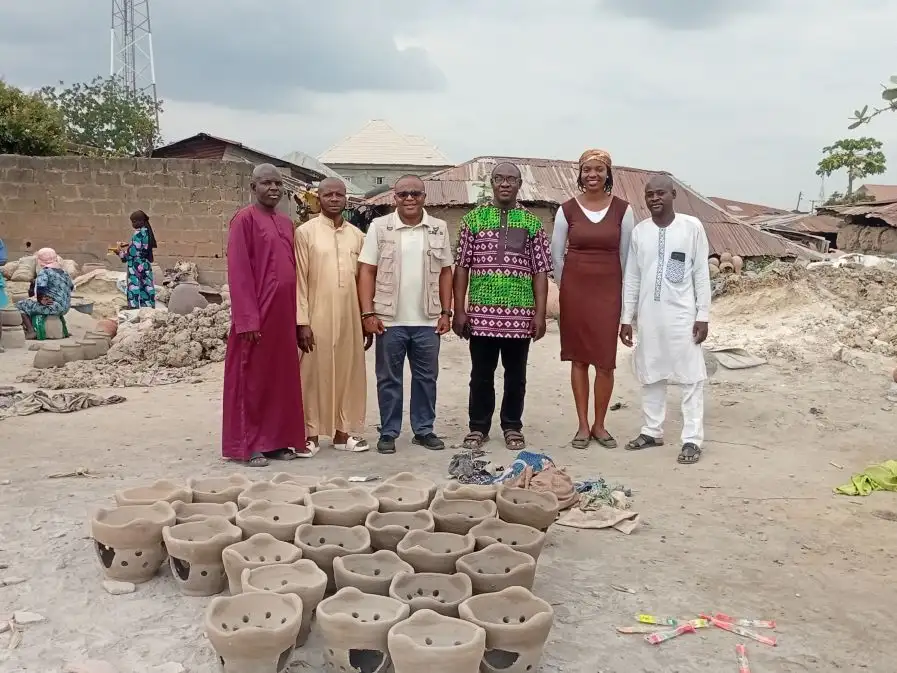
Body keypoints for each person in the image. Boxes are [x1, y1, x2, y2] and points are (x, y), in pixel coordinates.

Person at [453, 162, 551, 451]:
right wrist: (460, 310)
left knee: (516, 376)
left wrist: (540, 315)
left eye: (511, 179)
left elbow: (541, 271)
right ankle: (478, 427)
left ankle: (511, 426)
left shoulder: (532, 224)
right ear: (491, 183)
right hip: (480, 316)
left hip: (520, 318)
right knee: (480, 375)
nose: (505, 184)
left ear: (520, 184)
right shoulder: (473, 220)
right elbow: (461, 267)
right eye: (499, 179)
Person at [357, 175, 454, 455]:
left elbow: (447, 271)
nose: (409, 198)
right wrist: (367, 312)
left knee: (426, 378)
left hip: (427, 319)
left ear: (424, 196)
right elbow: (366, 270)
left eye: (415, 193)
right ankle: (388, 432)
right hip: (389, 319)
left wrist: (446, 311)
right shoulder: (379, 227)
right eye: (403, 194)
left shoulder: (438, 228)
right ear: (394, 198)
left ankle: (424, 430)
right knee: (389, 379)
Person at [619, 175, 711, 465]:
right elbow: (632, 277)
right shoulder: (639, 232)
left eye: (660, 193)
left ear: (673, 195)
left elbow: (700, 274)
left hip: (683, 315)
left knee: (691, 376)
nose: (655, 198)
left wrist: (703, 314)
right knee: (651, 372)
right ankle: (652, 430)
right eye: (649, 194)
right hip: (649, 315)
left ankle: (692, 439)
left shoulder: (691, 227)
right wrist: (626, 317)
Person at [222, 164, 307, 467]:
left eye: (277, 184)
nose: (273, 188)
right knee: (252, 381)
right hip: (257, 315)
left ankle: (275, 441)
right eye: (266, 183)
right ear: (253, 187)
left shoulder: (285, 223)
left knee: (279, 380)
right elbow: (240, 272)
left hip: (283, 316)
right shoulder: (243, 221)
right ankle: (249, 445)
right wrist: (247, 319)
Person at [551, 149, 636, 450]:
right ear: (580, 174)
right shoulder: (567, 210)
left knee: (605, 363)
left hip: (608, 293)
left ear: (608, 174)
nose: (593, 175)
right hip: (575, 292)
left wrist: (625, 305)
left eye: (599, 170)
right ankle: (582, 426)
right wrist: (567, 288)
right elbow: (556, 255)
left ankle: (600, 425)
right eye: (587, 169)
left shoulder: (624, 210)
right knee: (578, 359)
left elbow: (627, 259)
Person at [295, 177, 370, 454]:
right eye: (329, 194)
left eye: (340, 194)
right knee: (313, 372)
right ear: (319, 198)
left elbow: (364, 280)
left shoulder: (357, 236)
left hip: (350, 314)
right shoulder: (305, 233)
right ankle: (310, 434)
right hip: (317, 313)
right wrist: (302, 321)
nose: (335, 199)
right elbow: (300, 279)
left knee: (348, 371)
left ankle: (342, 434)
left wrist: (366, 318)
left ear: (346, 198)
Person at [15, 247, 74, 340]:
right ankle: (62, 330)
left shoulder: (45, 271)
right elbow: (71, 287)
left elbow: (41, 289)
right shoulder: (64, 272)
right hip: (65, 307)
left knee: (19, 305)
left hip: (52, 307)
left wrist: (41, 299)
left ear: (40, 260)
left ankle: (31, 331)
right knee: (31, 303)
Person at [118, 210, 158, 309]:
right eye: (132, 222)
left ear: (141, 221)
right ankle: (148, 309)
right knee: (146, 287)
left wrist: (119, 252)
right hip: (145, 264)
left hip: (136, 265)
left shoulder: (137, 234)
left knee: (134, 287)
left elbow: (131, 254)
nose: (133, 224)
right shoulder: (147, 232)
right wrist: (129, 244)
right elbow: (141, 247)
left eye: (135, 221)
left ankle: (133, 308)